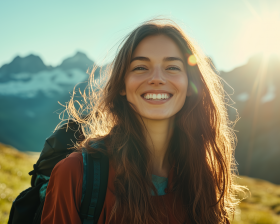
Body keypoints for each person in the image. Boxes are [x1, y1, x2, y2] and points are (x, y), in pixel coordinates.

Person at [41, 19, 244, 224]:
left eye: (172, 67)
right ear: (122, 85)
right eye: (140, 67)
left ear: (191, 86)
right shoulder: (76, 174)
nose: (157, 78)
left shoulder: (202, 175)